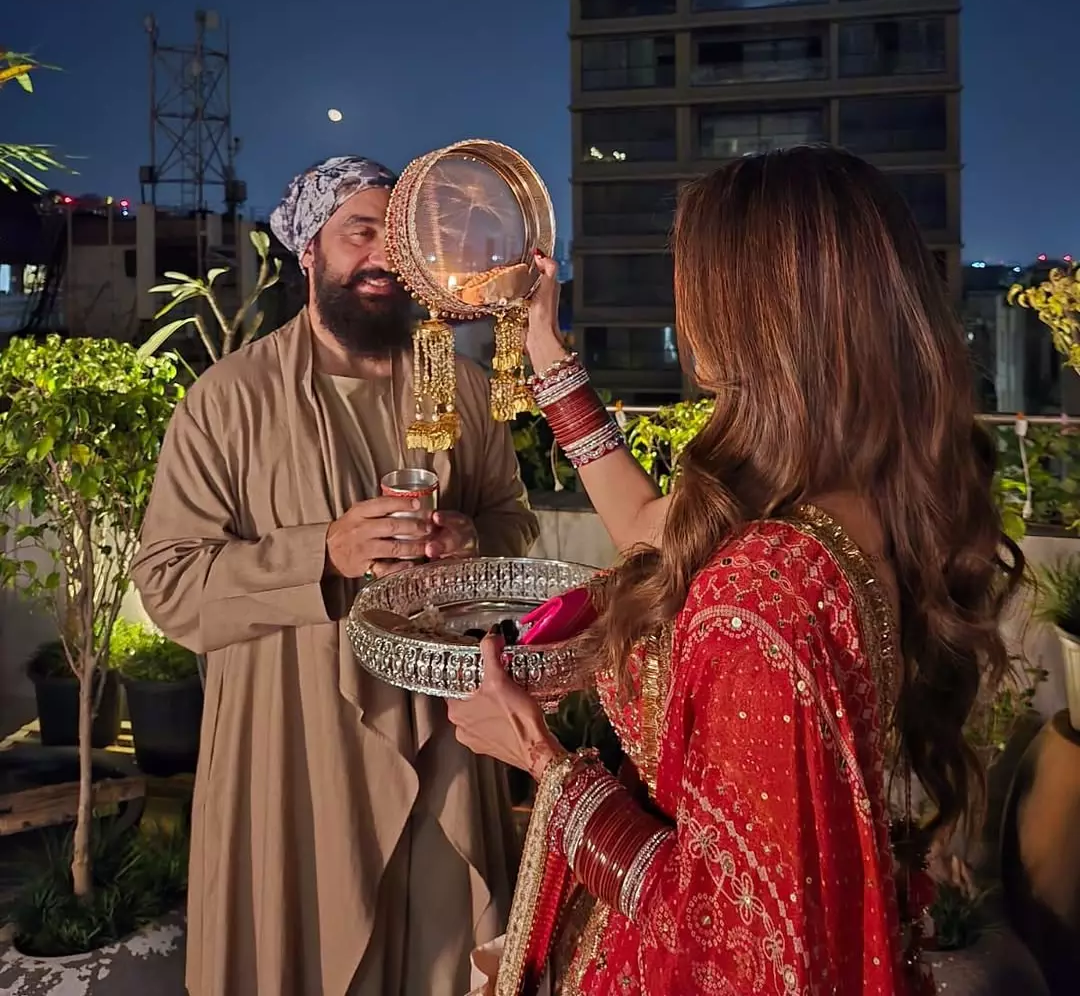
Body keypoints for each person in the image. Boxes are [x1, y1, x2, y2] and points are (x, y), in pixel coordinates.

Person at [449, 145, 1022, 996]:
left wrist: (542, 762)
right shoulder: (854, 493)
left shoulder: (757, 595)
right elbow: (646, 528)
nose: (683, 308)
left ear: (752, 310)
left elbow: (733, 946)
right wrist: (546, 351)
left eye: (694, 278)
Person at [133, 155, 538, 996]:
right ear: (309, 250)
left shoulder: (460, 388)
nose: (382, 256)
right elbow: (169, 582)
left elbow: (513, 522)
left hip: (446, 740)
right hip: (291, 745)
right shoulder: (228, 400)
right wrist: (321, 552)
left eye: (399, 236)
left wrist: (473, 541)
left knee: (443, 955)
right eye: (360, 232)